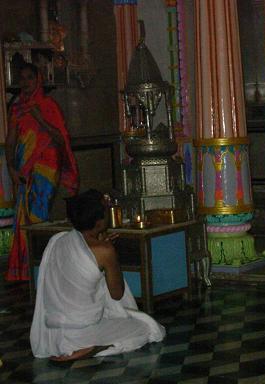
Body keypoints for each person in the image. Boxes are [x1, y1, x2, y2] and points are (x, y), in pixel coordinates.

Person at [30, 189, 165, 360]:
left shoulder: (57, 240)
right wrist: (111, 257)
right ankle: (90, 347)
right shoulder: (105, 250)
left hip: (53, 335)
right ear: (99, 221)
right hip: (82, 332)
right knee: (149, 327)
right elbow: (117, 294)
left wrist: (101, 253)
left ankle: (80, 346)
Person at [5, 62, 78, 281]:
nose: (26, 83)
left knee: (39, 215)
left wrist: (39, 118)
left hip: (47, 168)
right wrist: (11, 167)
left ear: (39, 80)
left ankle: (43, 269)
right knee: (23, 216)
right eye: (22, 78)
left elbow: (60, 138)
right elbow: (11, 140)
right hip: (24, 167)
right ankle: (26, 270)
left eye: (30, 78)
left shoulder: (49, 106)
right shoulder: (16, 108)